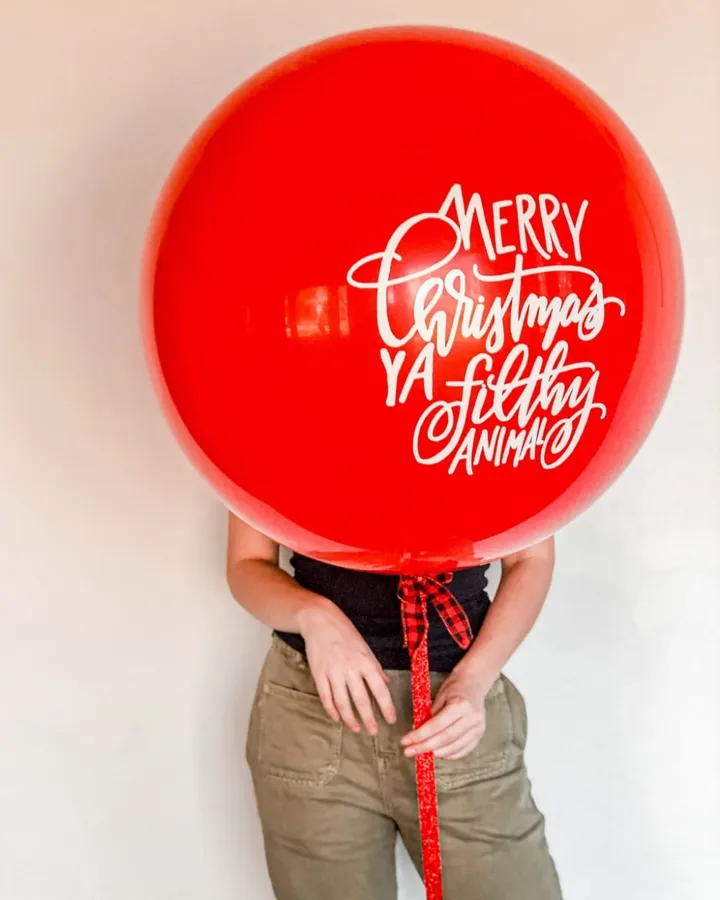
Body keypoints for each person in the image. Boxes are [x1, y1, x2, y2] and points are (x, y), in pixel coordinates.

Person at [227, 512, 562, 900]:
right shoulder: (275, 445)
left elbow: (530, 558)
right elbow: (246, 563)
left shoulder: (491, 447)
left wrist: (474, 677)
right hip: (313, 715)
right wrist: (315, 616)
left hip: (457, 716)